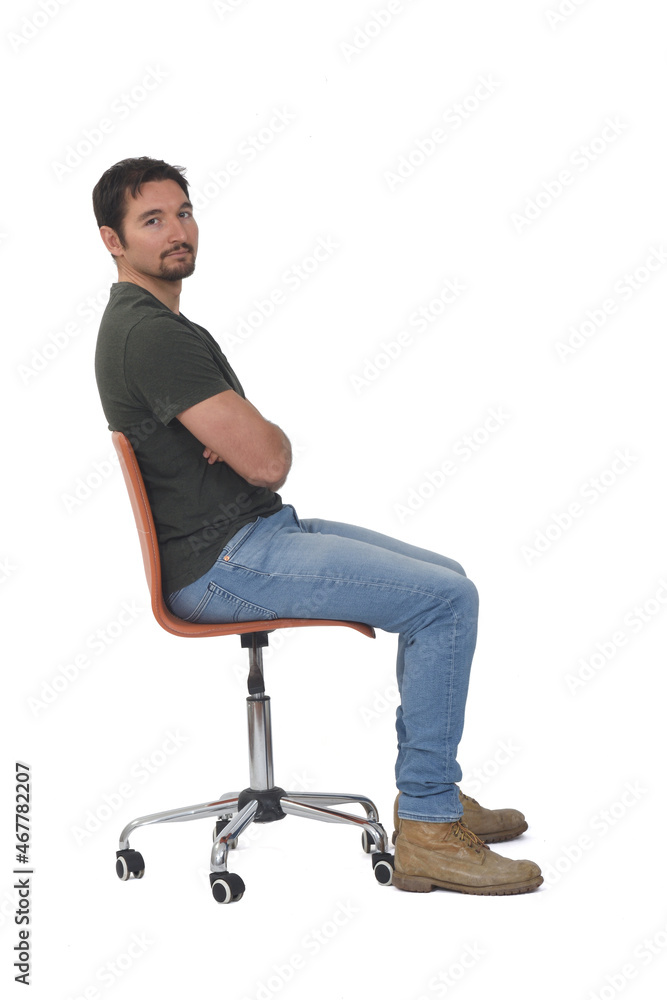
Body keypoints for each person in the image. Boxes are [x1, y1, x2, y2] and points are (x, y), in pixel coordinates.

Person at [93, 156, 542, 896]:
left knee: (449, 580)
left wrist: (237, 440)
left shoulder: (160, 326)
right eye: (152, 220)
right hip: (225, 562)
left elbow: (250, 459)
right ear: (112, 240)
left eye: (183, 212)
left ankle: (432, 789)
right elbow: (268, 460)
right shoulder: (151, 335)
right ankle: (428, 827)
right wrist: (249, 439)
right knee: (445, 605)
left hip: (253, 536)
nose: (177, 231)